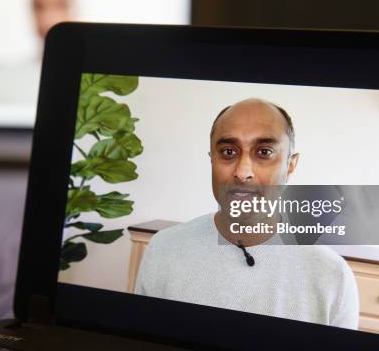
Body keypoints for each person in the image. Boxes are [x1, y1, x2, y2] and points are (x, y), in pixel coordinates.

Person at [134, 98, 359, 329]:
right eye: (228, 151)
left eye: (264, 152)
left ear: (291, 165)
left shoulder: (331, 276)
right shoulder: (163, 249)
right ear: (212, 160)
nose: (242, 172)